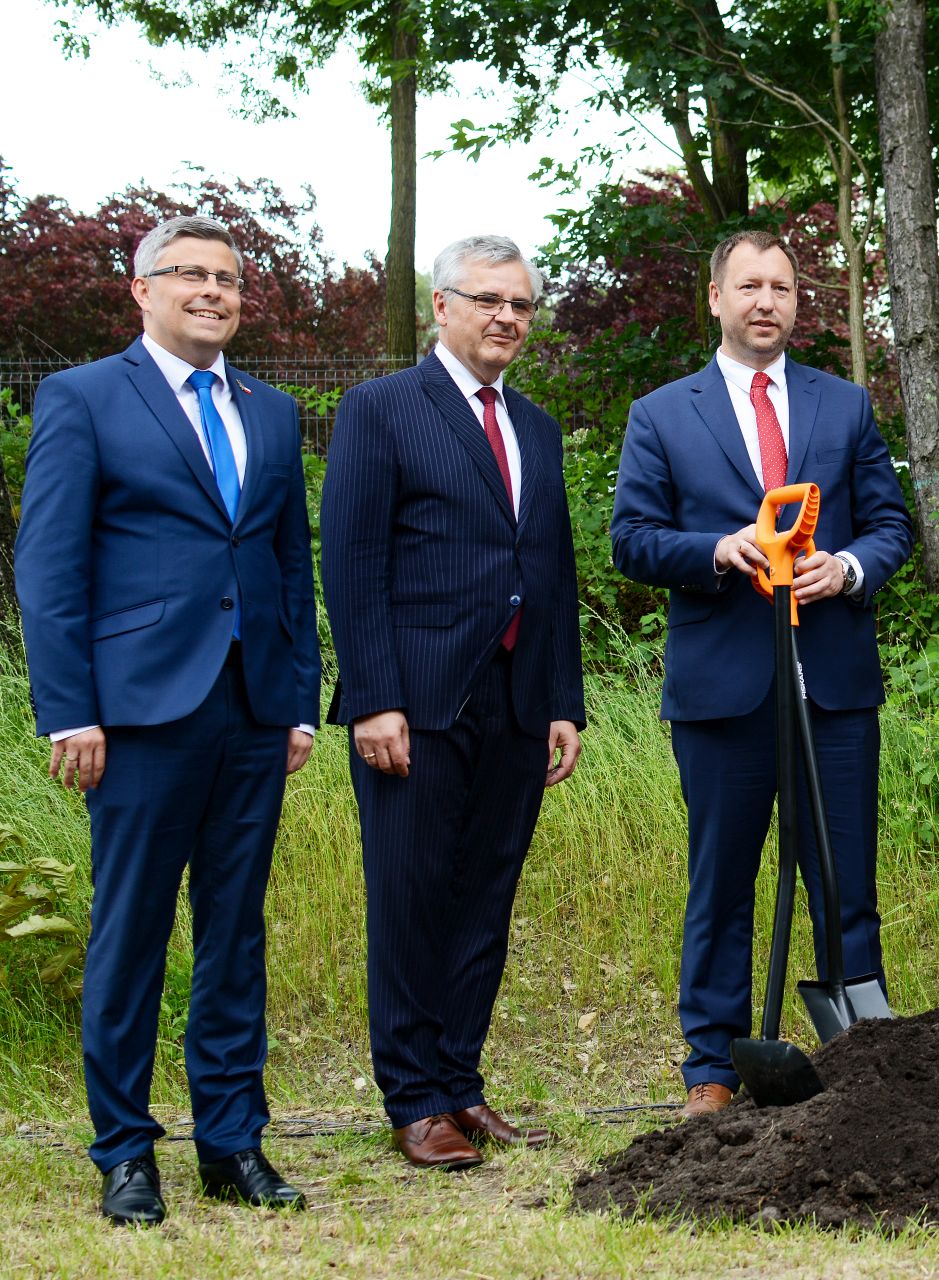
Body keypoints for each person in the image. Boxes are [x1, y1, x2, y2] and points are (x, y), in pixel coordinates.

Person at [15, 215, 322, 1224]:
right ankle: (125, 1151)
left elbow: (288, 564)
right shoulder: (85, 398)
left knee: (235, 934)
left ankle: (232, 1142)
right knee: (133, 933)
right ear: (140, 290)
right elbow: (50, 569)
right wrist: (71, 709)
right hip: (138, 713)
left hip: (250, 709)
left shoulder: (271, 414)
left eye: (227, 278)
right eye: (188, 273)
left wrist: (298, 699)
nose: (211, 290)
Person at [610, 230, 913, 1116]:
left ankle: (860, 1053)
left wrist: (848, 569)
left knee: (844, 877)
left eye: (781, 287)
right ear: (716, 298)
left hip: (834, 686)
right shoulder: (664, 413)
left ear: (795, 302)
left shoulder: (845, 406)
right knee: (721, 880)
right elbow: (631, 539)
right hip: (723, 689)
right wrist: (717, 549)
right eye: (749, 286)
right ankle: (711, 1066)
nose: (766, 302)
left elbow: (889, 526)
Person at [321, 235, 585, 1169]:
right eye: (489, 301)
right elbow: (352, 562)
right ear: (442, 306)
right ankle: (413, 1099)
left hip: (517, 703)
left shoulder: (538, 428)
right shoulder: (382, 409)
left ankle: (461, 1085)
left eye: (521, 305)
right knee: (410, 896)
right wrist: (374, 699)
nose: (508, 318)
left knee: (484, 898)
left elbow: (551, 569)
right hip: (417, 706)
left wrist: (564, 700)